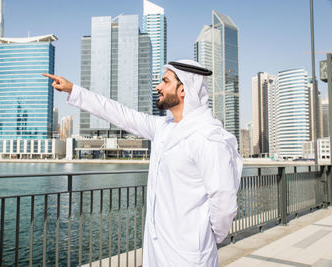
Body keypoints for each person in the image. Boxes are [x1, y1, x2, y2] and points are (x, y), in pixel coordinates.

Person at [43, 59, 242, 267]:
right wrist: (73, 90)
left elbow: (224, 202)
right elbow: (121, 114)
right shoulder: (163, 127)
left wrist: (206, 237)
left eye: (165, 81)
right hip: (158, 249)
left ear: (183, 89)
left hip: (190, 254)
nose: (158, 87)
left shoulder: (208, 137)